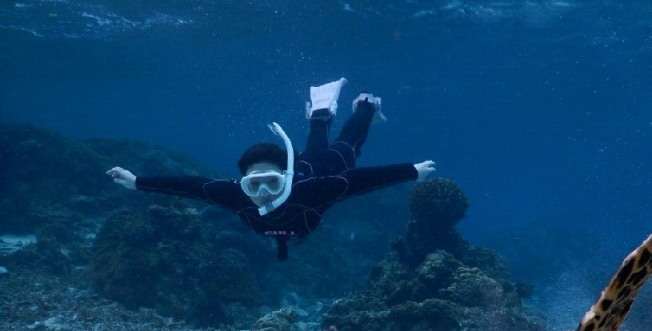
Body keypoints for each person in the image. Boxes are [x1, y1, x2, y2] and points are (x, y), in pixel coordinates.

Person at [107, 79, 436, 261]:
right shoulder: (236, 197)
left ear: (287, 177)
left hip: (319, 172)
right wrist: (138, 183)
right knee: (317, 148)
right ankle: (320, 114)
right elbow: (190, 185)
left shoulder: (315, 190)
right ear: (242, 183)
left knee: (344, 151)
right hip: (305, 168)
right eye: (255, 185)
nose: (263, 193)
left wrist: (411, 171)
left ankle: (364, 108)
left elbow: (362, 181)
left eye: (272, 183)